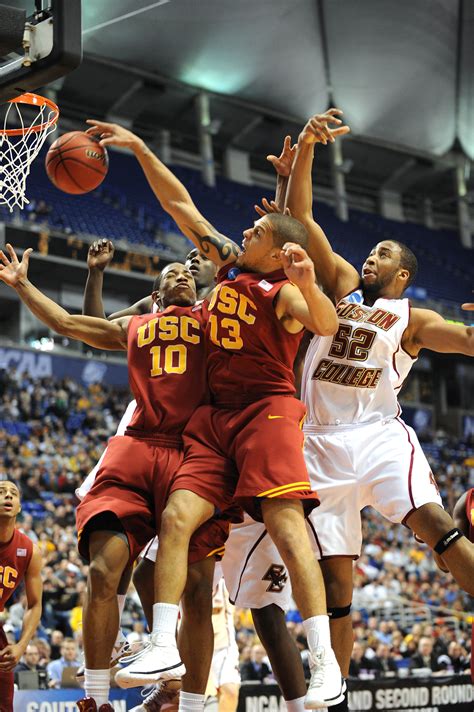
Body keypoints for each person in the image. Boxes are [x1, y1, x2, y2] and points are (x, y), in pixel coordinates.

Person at [217, 110, 474, 712]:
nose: (371, 258)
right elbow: (302, 220)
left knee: (435, 525)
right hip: (317, 443)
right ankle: (334, 691)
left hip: (378, 434)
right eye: (372, 251)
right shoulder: (334, 287)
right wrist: (307, 145)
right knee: (336, 590)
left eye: (383, 254)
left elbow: (465, 341)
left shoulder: (414, 318)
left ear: (403, 274)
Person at [85, 118, 344, 710]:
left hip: (266, 412)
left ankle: (324, 660)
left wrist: (307, 280)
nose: (243, 231)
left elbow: (325, 325)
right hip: (213, 421)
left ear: (276, 253)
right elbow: (182, 208)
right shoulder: (228, 267)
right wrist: (144, 148)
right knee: (177, 519)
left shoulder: (281, 292)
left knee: (285, 523)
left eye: (256, 231)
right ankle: (159, 646)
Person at [0, 245, 237, 712]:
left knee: (194, 587)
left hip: (196, 452)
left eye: (186, 273)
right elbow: (70, 325)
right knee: (103, 571)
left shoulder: (216, 319)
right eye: (170, 274)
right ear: (155, 294)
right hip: (140, 444)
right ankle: (97, 699)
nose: (181, 276)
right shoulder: (136, 324)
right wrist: (23, 285)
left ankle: (188, 703)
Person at [0, 480, 43, 712]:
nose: (7, 496)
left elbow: (35, 605)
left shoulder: (29, 550)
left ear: (18, 507)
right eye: (1, 492)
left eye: (13, 493)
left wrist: (21, 645)